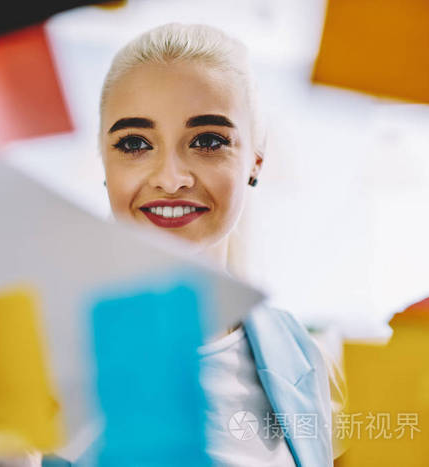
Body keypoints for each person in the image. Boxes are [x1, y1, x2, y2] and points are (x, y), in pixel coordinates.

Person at [95, 23, 346, 466]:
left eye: (208, 141)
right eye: (134, 143)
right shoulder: (42, 350)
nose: (170, 179)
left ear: (256, 160)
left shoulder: (309, 361)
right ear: (104, 160)